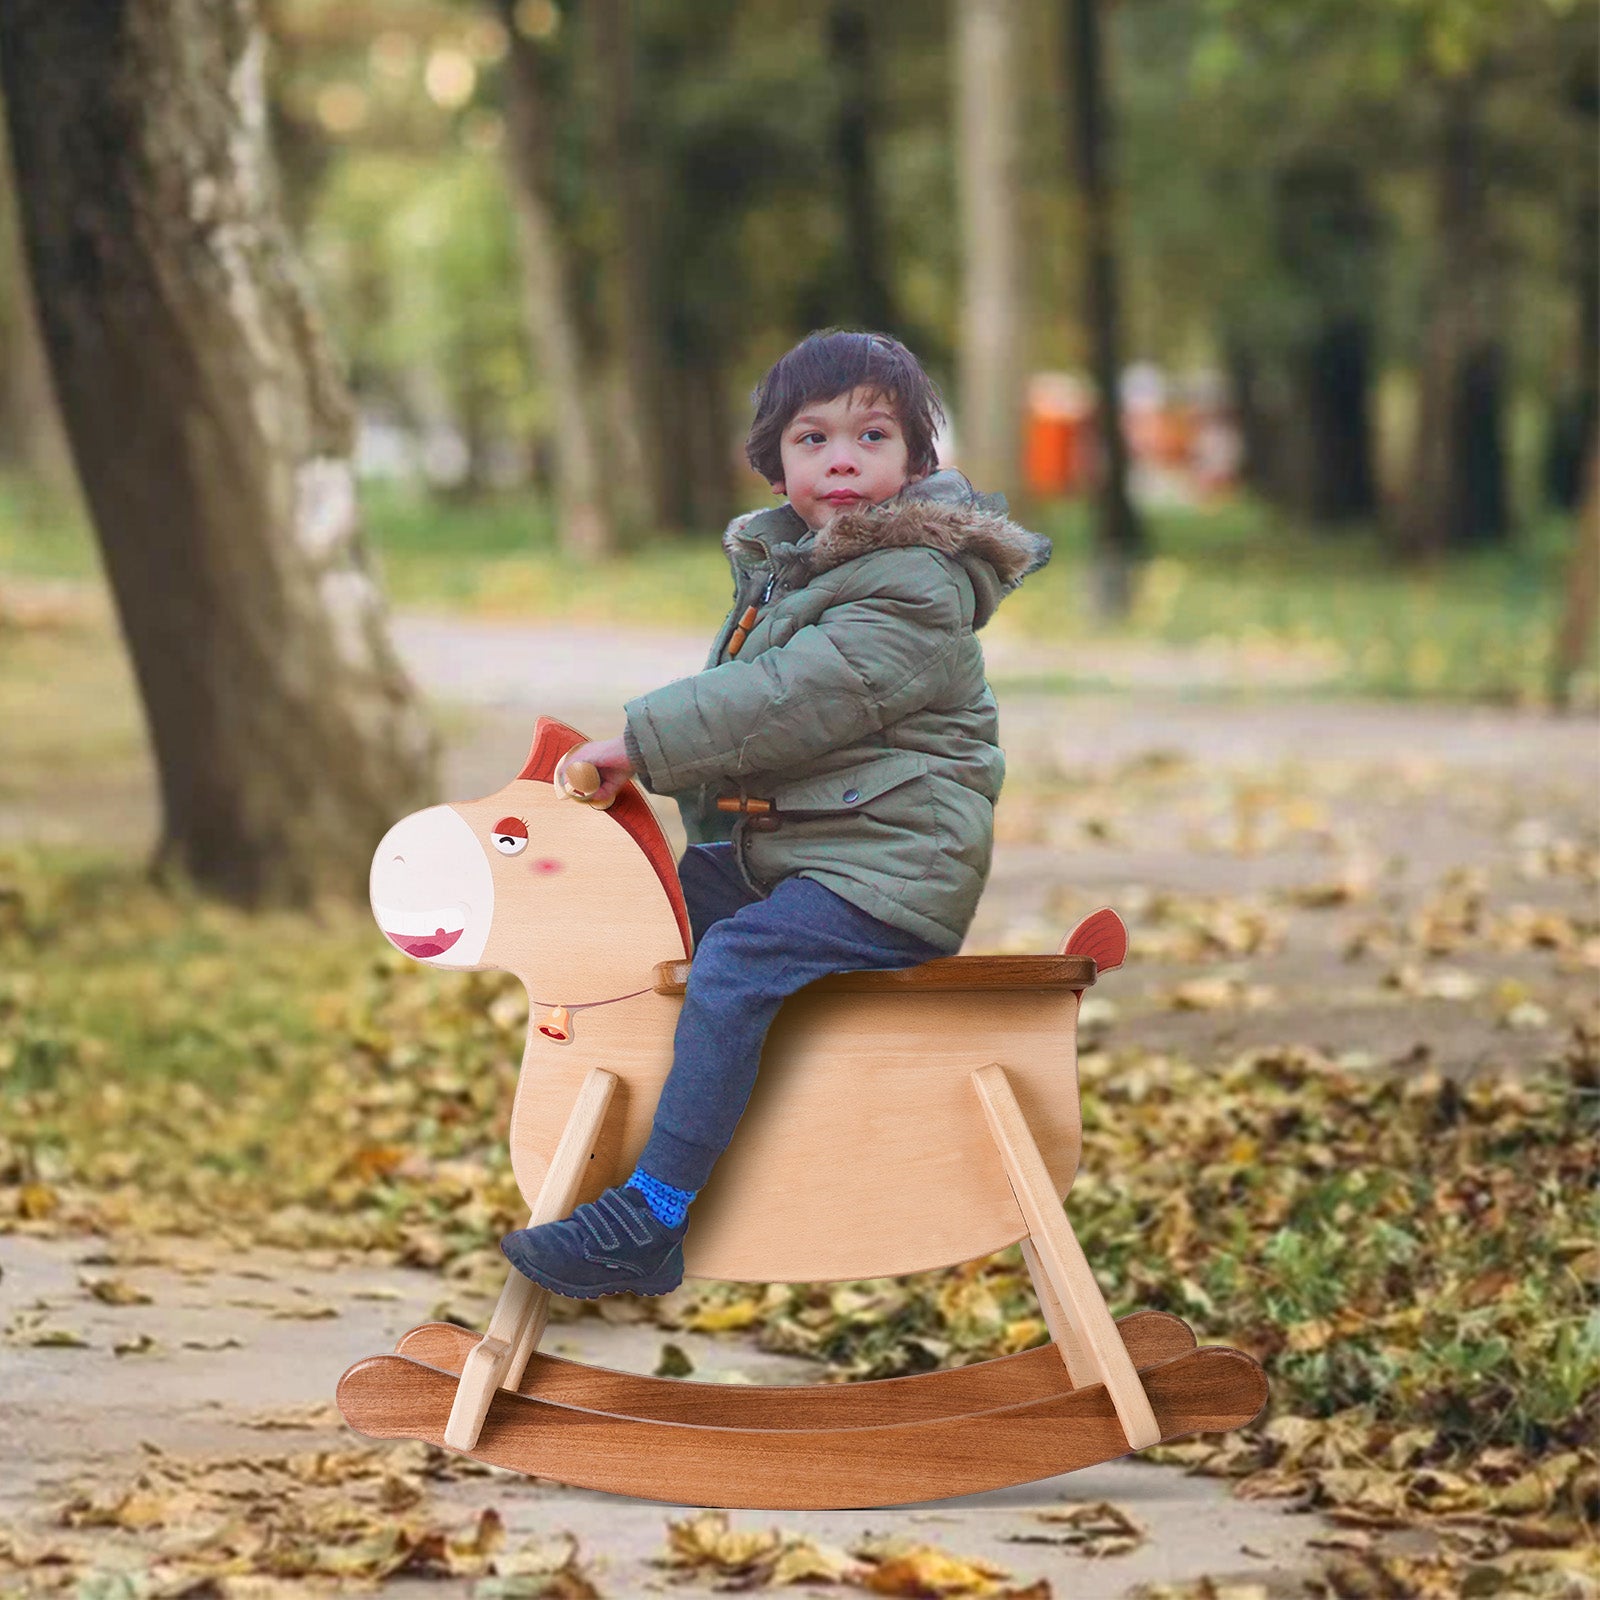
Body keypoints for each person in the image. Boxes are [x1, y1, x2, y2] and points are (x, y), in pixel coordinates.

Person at [500, 328, 1053, 1299]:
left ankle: (652, 1217)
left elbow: (792, 700)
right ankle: (619, 1136)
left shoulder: (914, 583)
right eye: (812, 438)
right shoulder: (792, 567)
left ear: (918, 464)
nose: (842, 458)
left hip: (888, 868)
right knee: (649, 919)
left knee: (737, 960)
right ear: (774, 462)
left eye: (872, 436)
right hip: (806, 853)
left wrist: (639, 744)